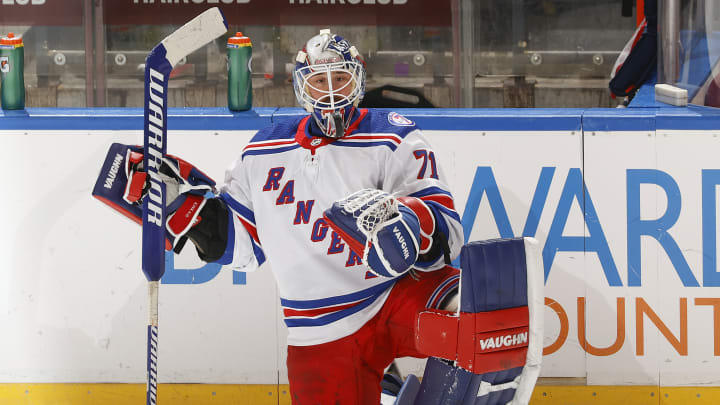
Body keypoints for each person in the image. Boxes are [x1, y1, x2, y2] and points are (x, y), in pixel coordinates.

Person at [116, 29, 464, 404]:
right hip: (320, 330)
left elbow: (449, 233)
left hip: (393, 294)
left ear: (358, 79)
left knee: (472, 316)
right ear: (301, 88)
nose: (330, 91)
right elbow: (241, 249)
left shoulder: (393, 137)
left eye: (340, 78)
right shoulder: (263, 150)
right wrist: (184, 209)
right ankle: (383, 389)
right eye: (318, 81)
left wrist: (412, 223)